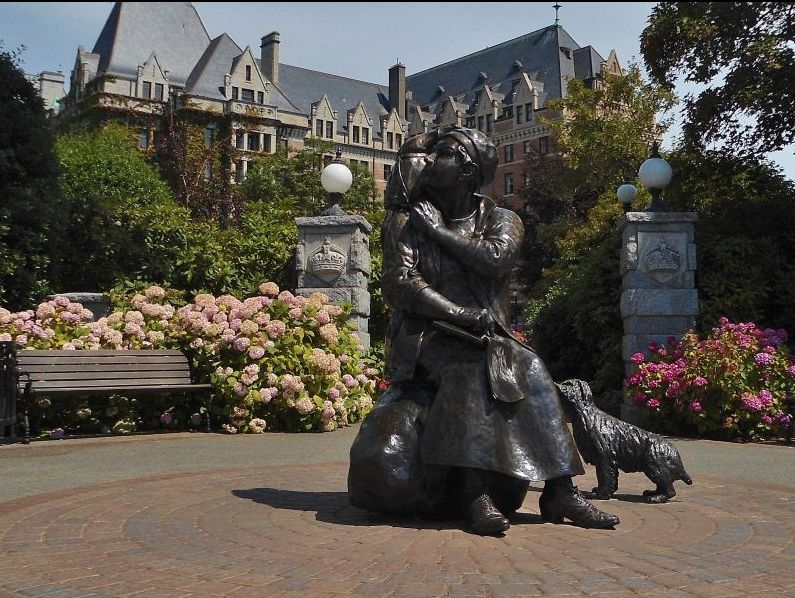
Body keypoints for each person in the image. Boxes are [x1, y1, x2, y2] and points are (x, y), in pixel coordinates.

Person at [348, 126, 619, 535]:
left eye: (442, 153)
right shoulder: (407, 219)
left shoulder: (501, 219)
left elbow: (495, 259)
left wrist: (438, 233)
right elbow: (400, 284)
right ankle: (476, 495)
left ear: (467, 170)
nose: (429, 161)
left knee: (530, 365)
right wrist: (458, 313)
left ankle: (561, 489)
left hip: (488, 335)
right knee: (472, 364)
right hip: (427, 337)